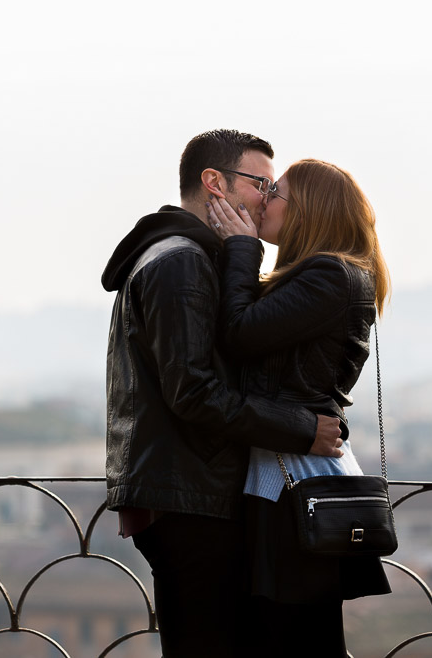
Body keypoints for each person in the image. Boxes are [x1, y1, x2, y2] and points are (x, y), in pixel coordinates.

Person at [101, 131, 345, 657]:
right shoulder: (183, 261)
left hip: (187, 492)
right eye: (261, 183)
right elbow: (193, 391)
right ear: (214, 183)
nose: (268, 198)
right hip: (192, 500)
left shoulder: (180, 255)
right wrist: (304, 429)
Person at [206, 158, 392, 657]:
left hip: (298, 479)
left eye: (277, 193)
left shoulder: (329, 276)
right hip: (291, 471)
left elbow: (239, 335)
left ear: (308, 210)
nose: (264, 200)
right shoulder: (324, 275)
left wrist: (241, 249)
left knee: (297, 636)